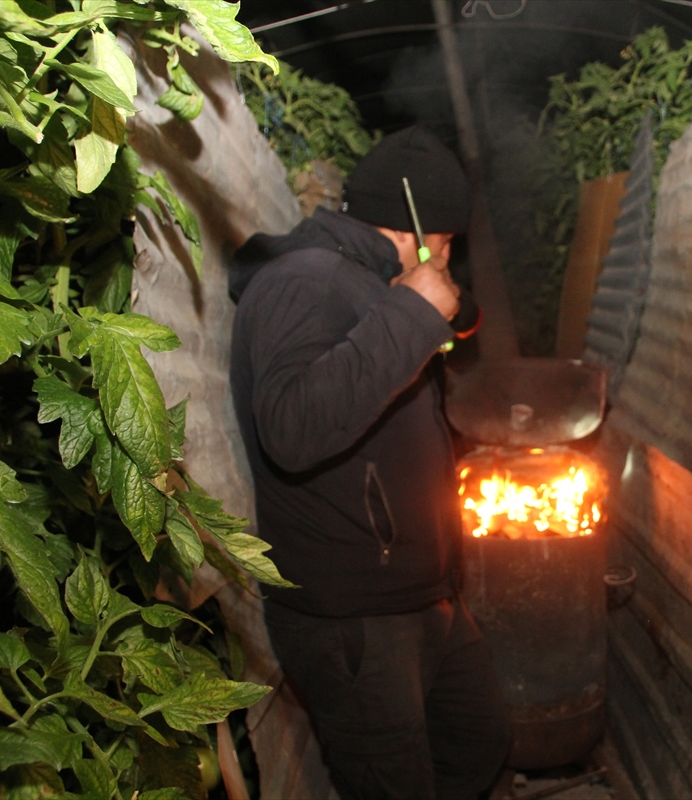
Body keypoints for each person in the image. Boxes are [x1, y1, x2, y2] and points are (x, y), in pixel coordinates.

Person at [228, 126, 509, 799]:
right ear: (418, 232)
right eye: (448, 242)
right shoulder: (304, 281)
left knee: (480, 740)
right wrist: (412, 313)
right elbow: (291, 426)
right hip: (352, 614)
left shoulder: (370, 280)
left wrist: (435, 309)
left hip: (421, 594)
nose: (450, 256)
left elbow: (440, 325)